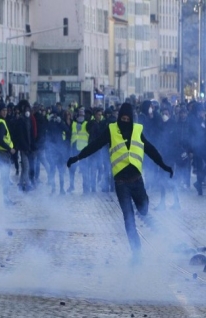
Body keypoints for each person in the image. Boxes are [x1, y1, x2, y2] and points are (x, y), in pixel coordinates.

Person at [67, 103, 173, 263]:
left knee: (143, 210)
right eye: (122, 118)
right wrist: (77, 157)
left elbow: (150, 149)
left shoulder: (137, 130)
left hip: (137, 180)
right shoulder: (111, 130)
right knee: (128, 218)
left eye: (127, 119)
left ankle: (143, 207)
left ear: (131, 119)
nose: (125, 121)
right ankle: (137, 252)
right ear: (119, 118)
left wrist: (164, 165)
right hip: (121, 183)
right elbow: (94, 145)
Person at [0, 105, 16, 203]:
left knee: (0, 176)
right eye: (3, 110)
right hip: (2, 153)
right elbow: (0, 140)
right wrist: (9, 148)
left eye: (6, 110)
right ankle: (4, 199)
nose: (5, 112)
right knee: (5, 177)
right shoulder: (1, 123)